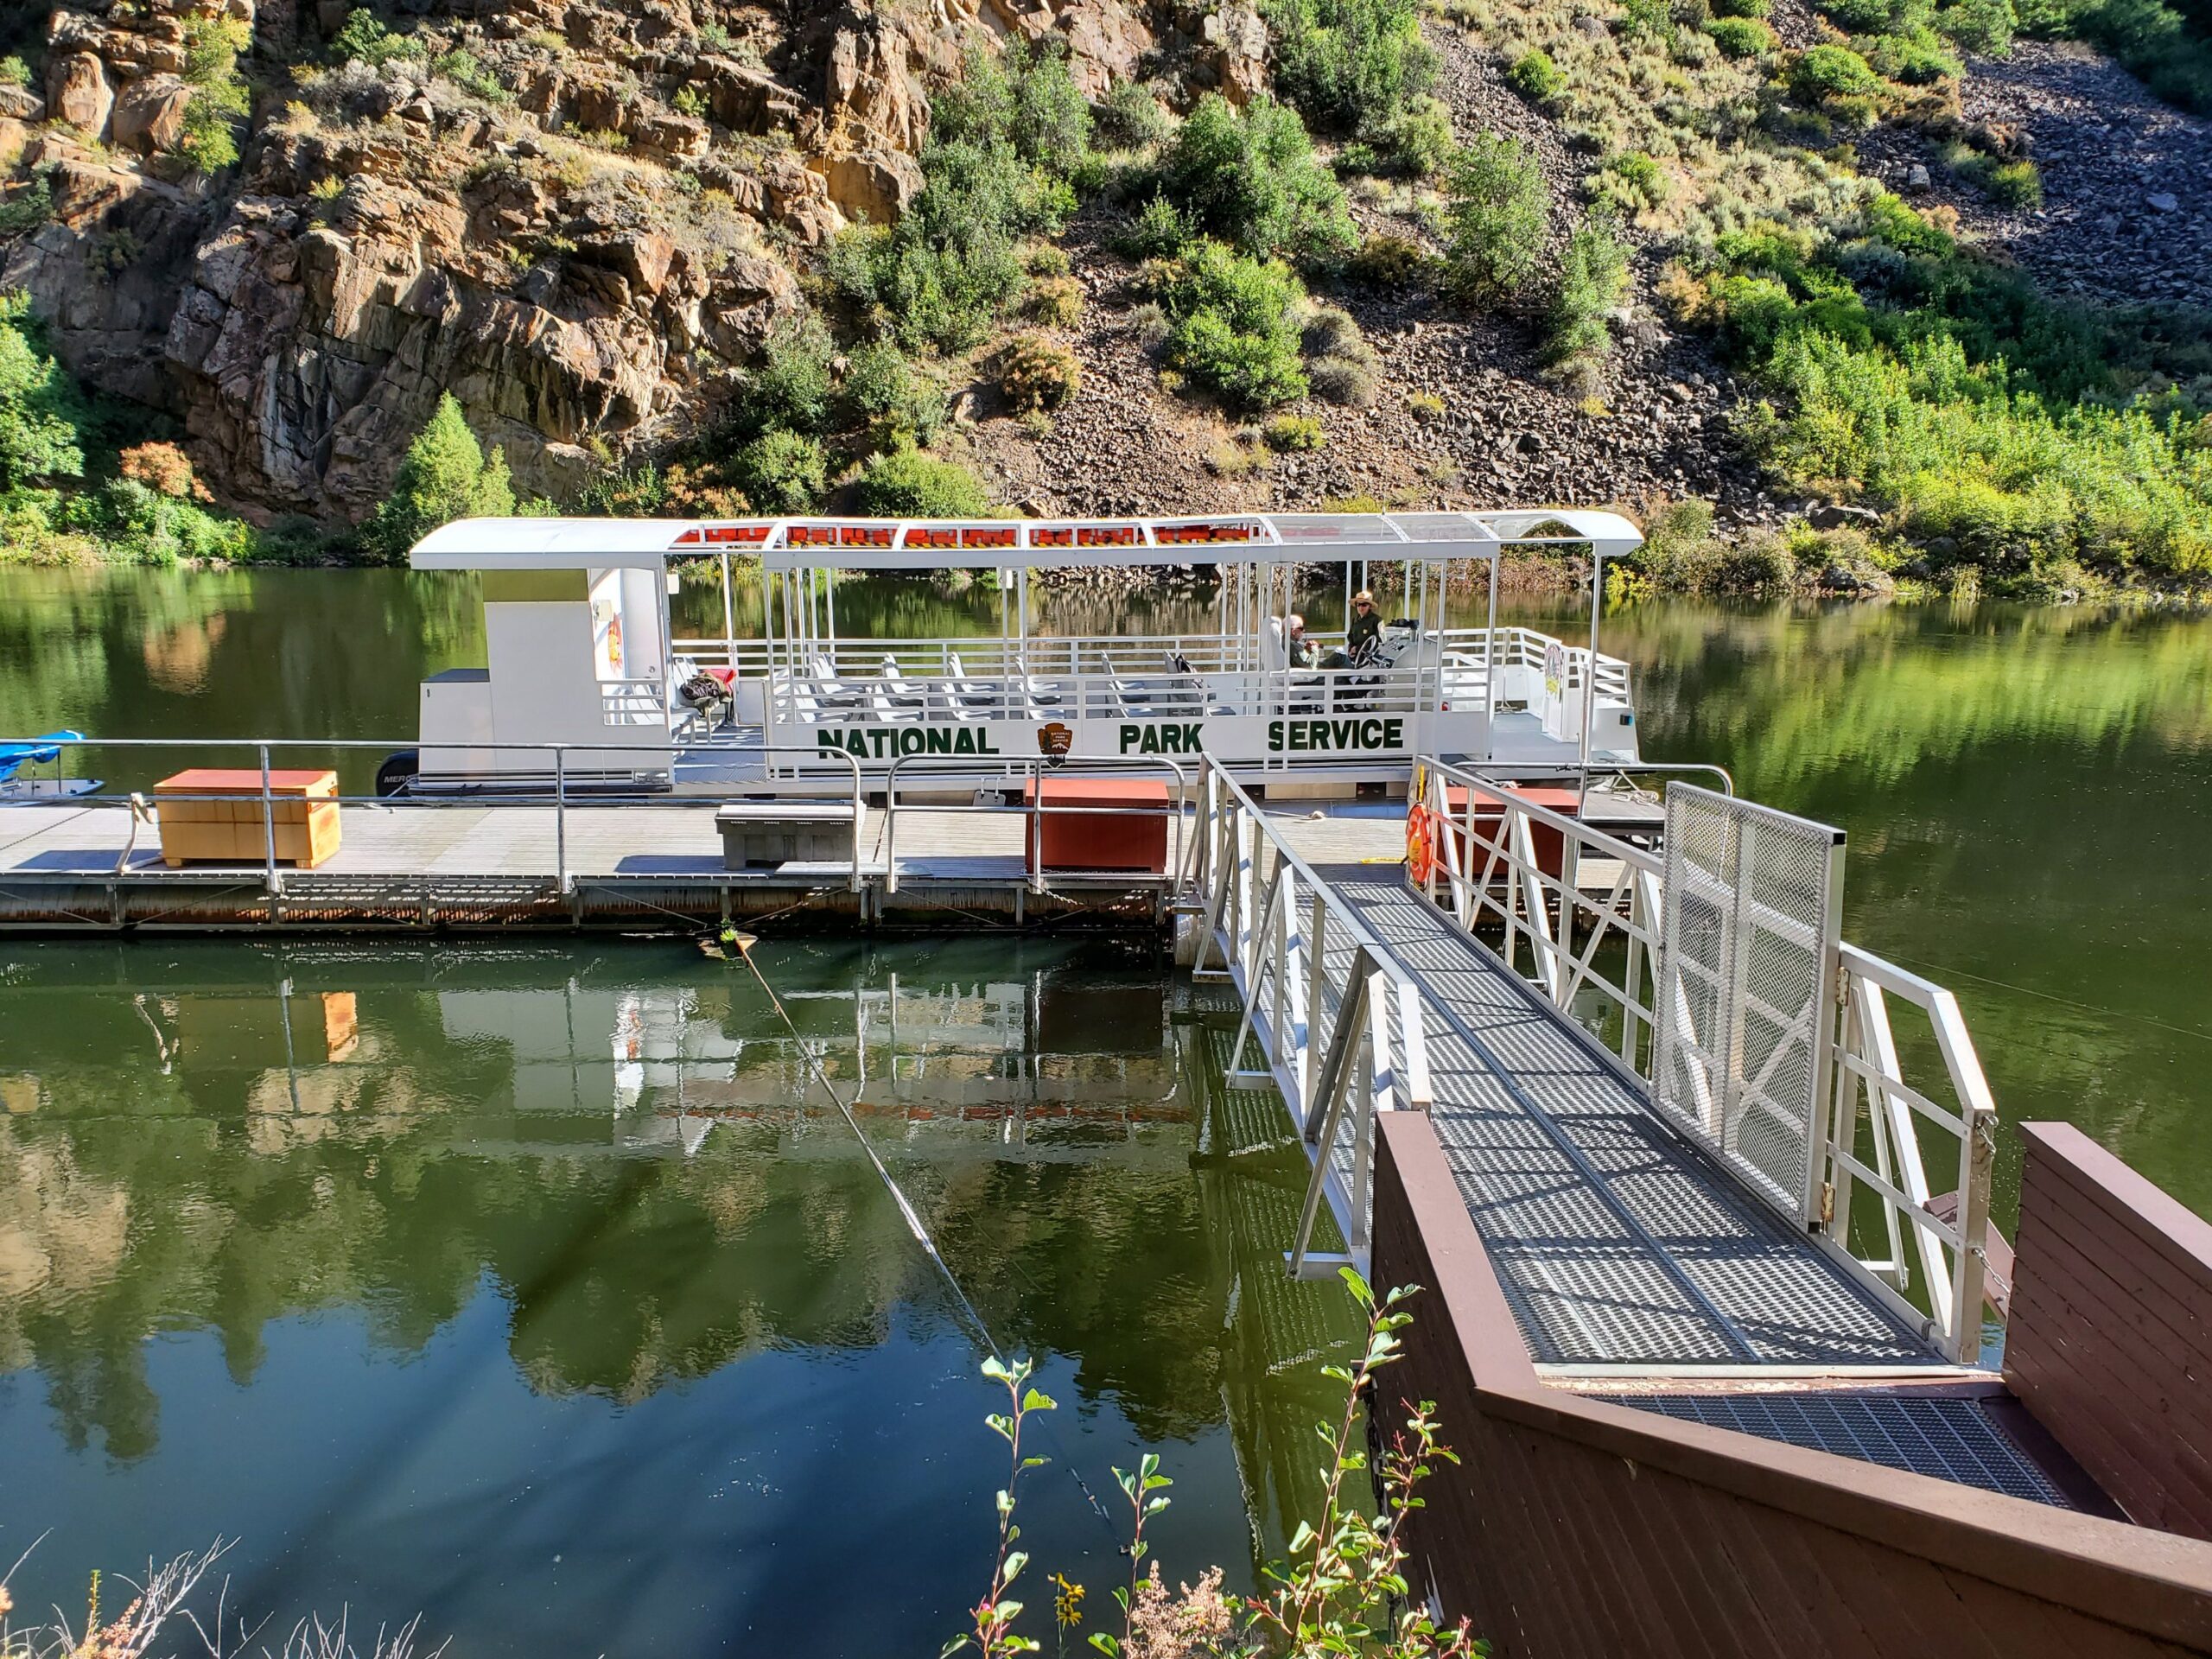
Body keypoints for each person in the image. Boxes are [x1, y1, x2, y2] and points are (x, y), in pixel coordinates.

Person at [1344, 590, 1381, 661]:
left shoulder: (1377, 620)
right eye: (1358, 605)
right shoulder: (1355, 619)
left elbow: (1379, 642)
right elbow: (1350, 637)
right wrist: (1350, 650)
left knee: (1337, 658)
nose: (1361, 608)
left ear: (1369, 606)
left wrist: (1358, 649)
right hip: (1354, 657)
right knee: (1338, 655)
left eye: (1364, 605)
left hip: (1368, 659)